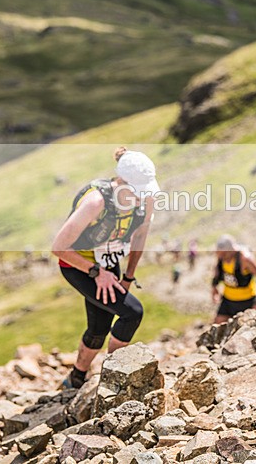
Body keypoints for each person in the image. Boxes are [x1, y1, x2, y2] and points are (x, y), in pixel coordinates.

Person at [52, 147, 158, 389]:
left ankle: (76, 378)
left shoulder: (145, 199)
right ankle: (114, 380)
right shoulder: (95, 202)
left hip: (109, 262)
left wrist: (128, 276)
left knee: (99, 326)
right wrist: (96, 273)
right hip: (78, 264)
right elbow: (59, 247)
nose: (142, 197)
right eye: (137, 192)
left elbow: (140, 235)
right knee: (132, 312)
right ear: (121, 183)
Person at [210, 235, 256, 324]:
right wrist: (214, 287)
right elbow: (218, 271)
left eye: (224, 254)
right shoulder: (221, 258)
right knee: (218, 324)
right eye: (219, 254)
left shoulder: (245, 259)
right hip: (228, 300)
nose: (221, 257)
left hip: (247, 301)